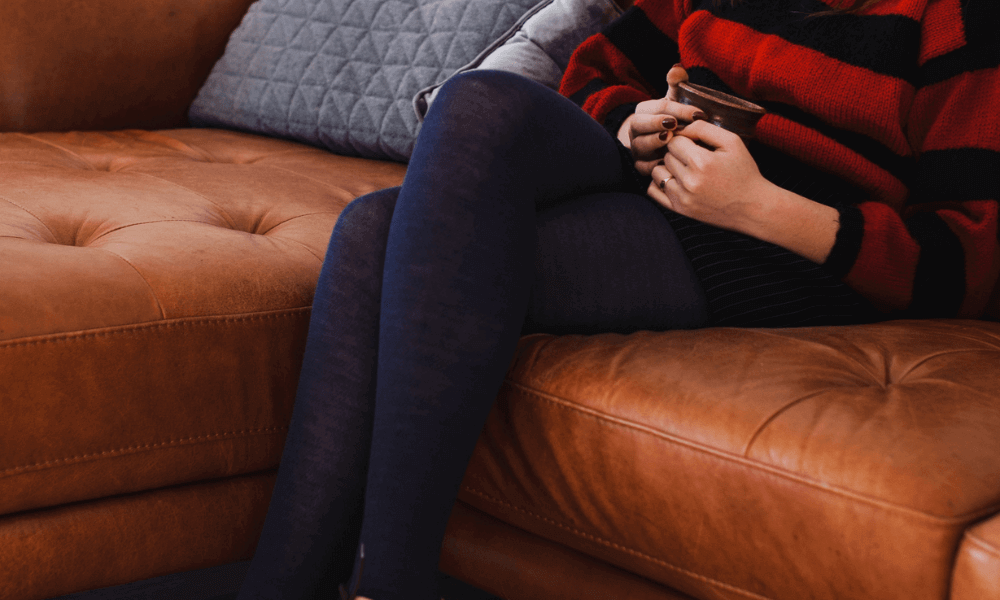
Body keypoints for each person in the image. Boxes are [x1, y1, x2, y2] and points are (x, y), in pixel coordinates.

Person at [236, 0, 999, 599]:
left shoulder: (957, 16)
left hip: (795, 254)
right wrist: (628, 123)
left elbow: (967, 258)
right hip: (676, 197)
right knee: (436, 153)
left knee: (381, 233)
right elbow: (598, 69)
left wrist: (760, 209)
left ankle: (387, 583)